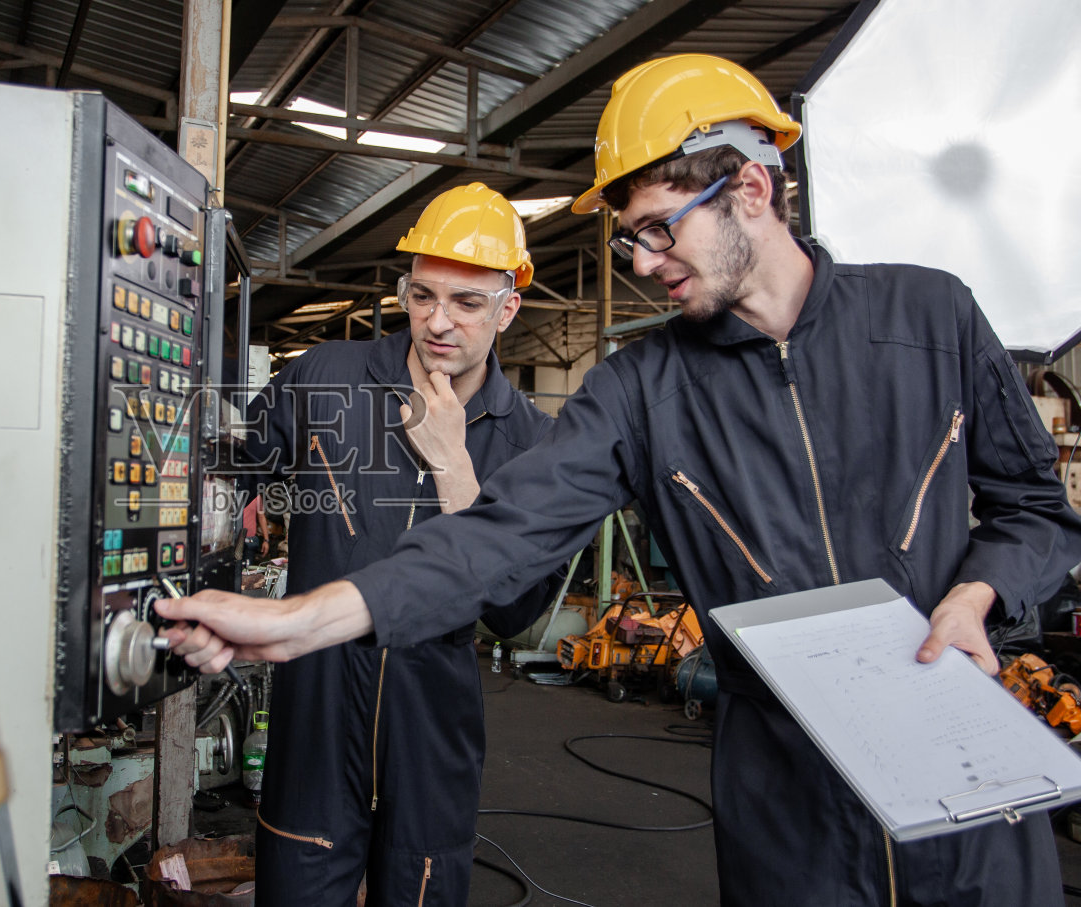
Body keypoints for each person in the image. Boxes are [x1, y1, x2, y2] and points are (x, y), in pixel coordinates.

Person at [162, 54, 1081, 907]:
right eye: (630, 238)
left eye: (657, 230)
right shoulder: (643, 389)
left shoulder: (931, 317)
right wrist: (298, 621)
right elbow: (499, 537)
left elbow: (1036, 510)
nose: (641, 263)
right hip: (791, 818)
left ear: (751, 189)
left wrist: (978, 595)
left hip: (970, 794)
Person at [234, 182, 557, 906]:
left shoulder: (533, 442)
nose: (438, 322)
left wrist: (454, 467)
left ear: (507, 309)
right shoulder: (324, 379)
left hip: (431, 727)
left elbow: (515, 612)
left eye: (466, 303)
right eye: (422, 296)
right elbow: (229, 471)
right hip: (315, 715)